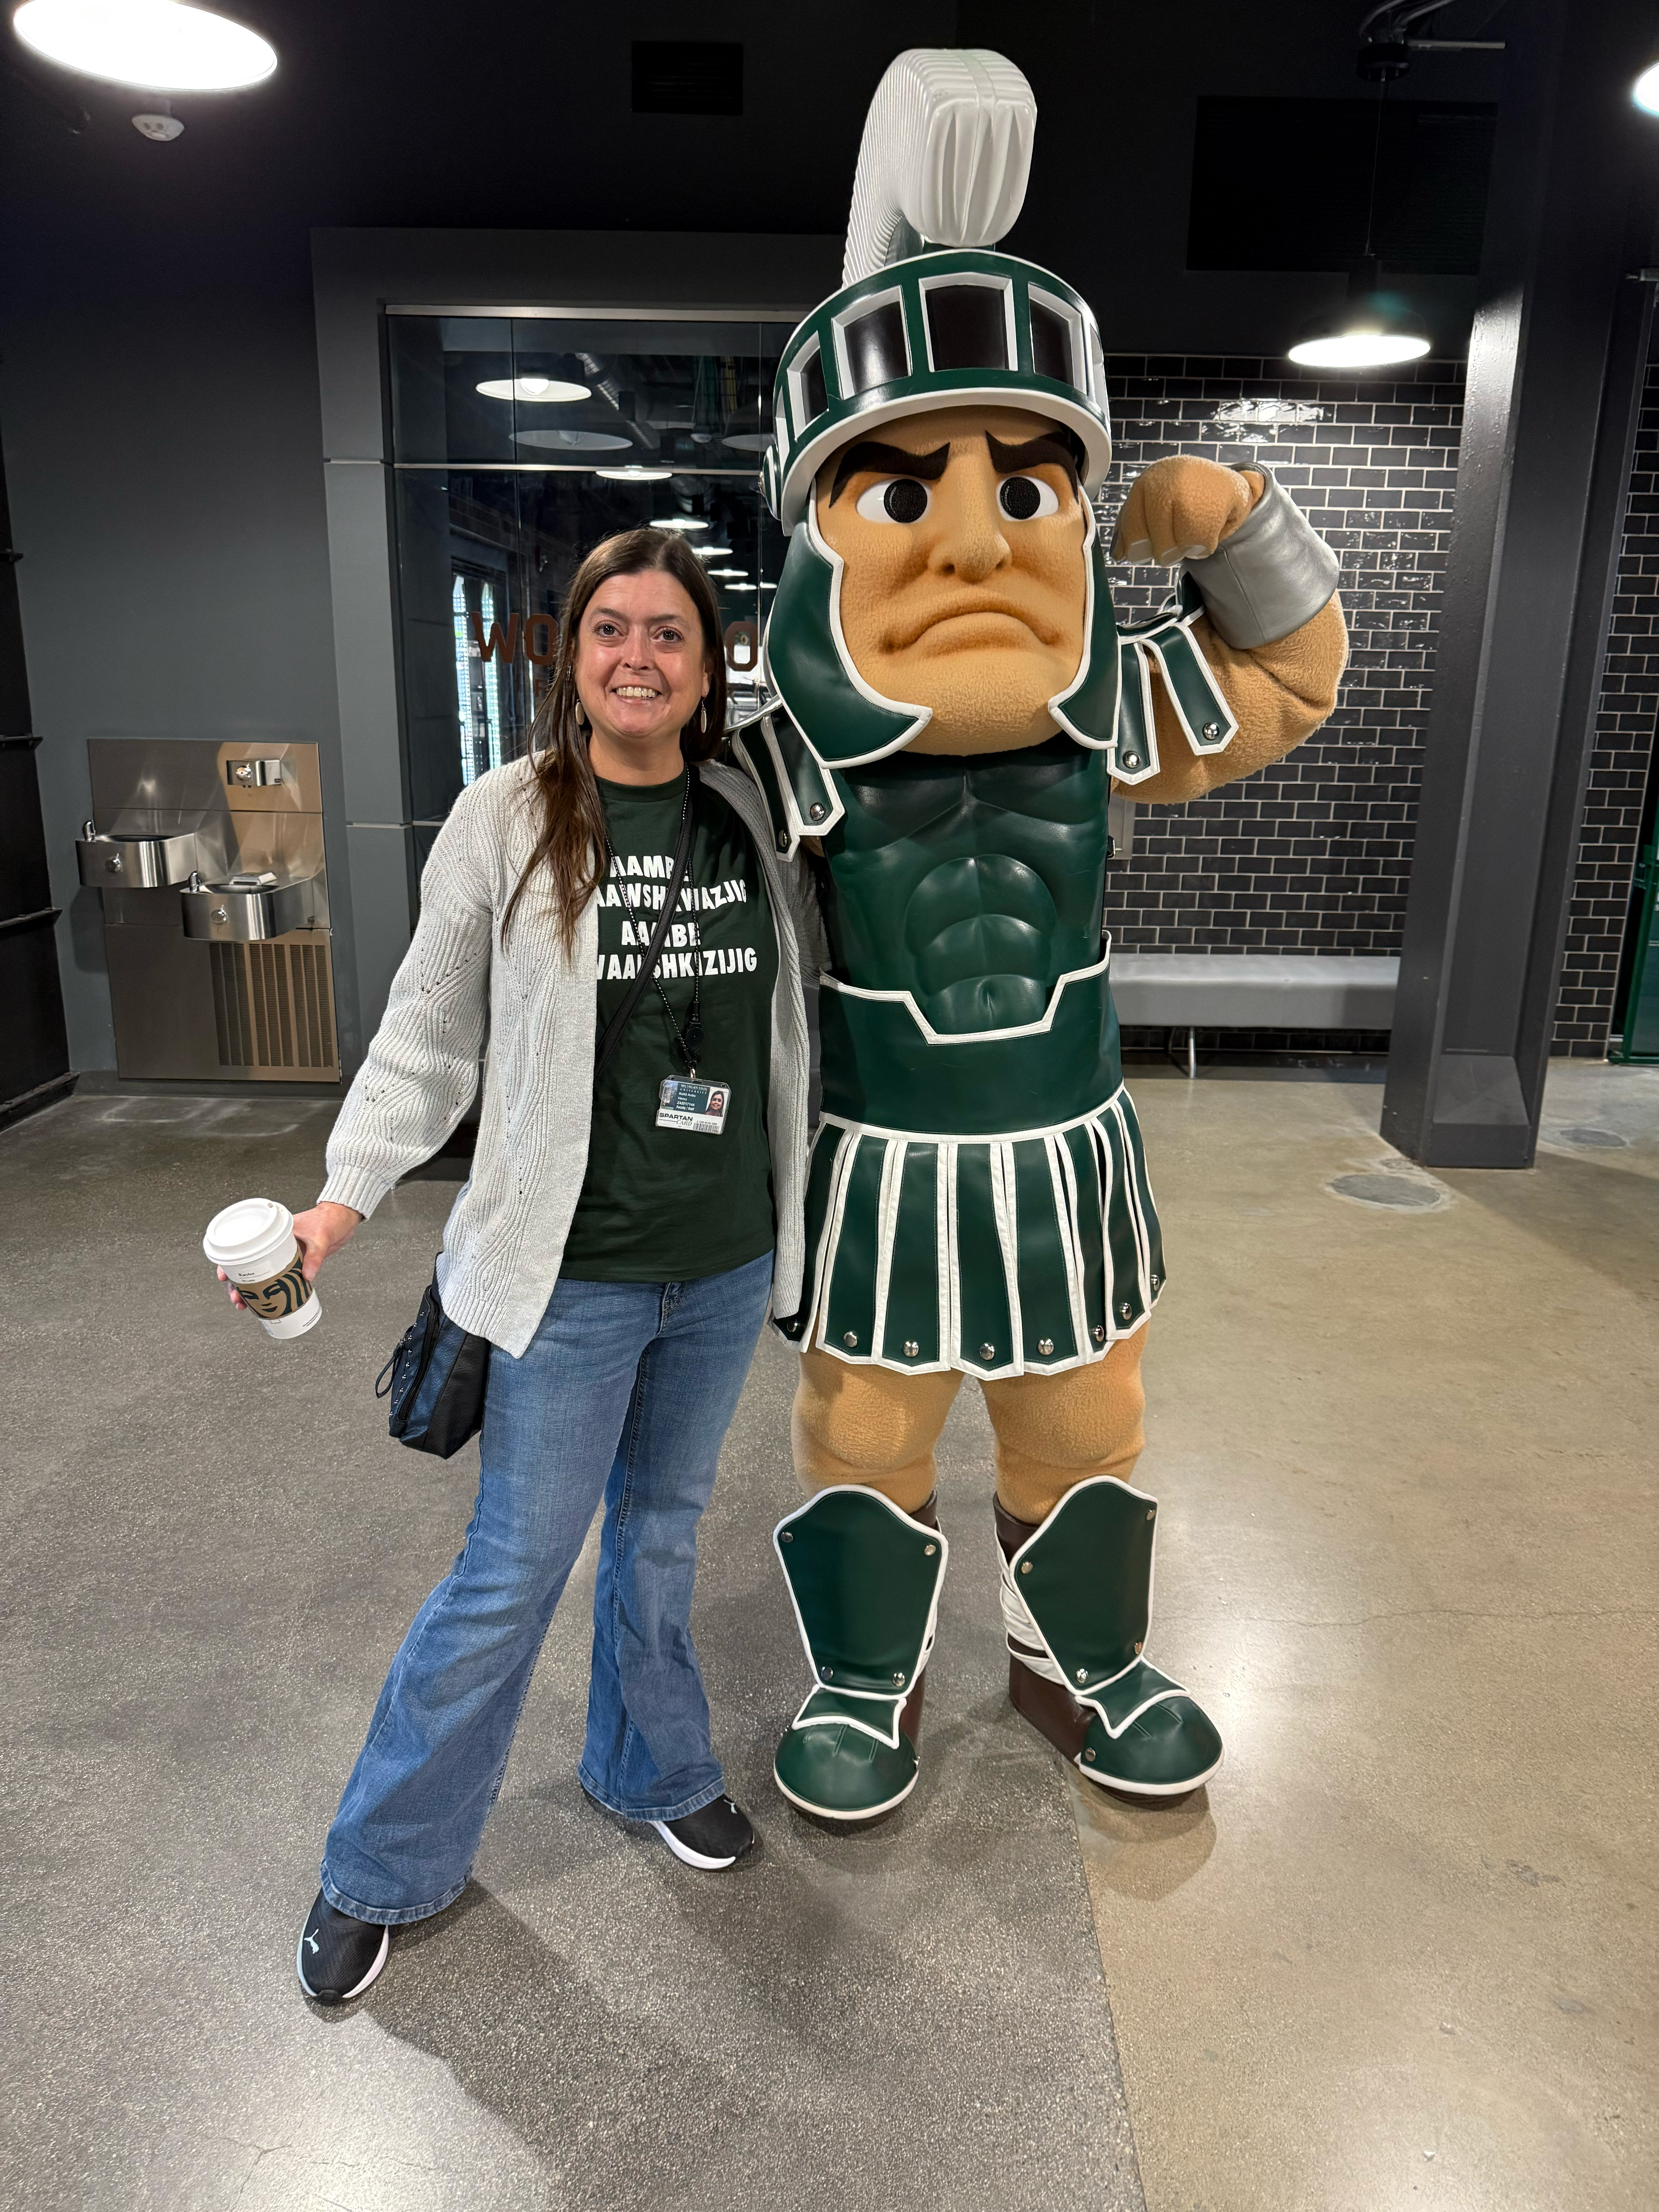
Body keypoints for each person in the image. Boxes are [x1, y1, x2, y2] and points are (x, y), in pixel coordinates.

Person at [225, 528, 816, 2004]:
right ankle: (381, 1863)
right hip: (570, 1280)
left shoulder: (745, 810)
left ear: (709, 663)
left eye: (668, 633)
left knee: (665, 1536)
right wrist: (335, 1209)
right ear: (569, 655)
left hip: (722, 1260)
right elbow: (429, 1034)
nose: (637, 656)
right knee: (510, 1572)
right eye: (610, 628)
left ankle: (651, 1767)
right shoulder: (507, 817)